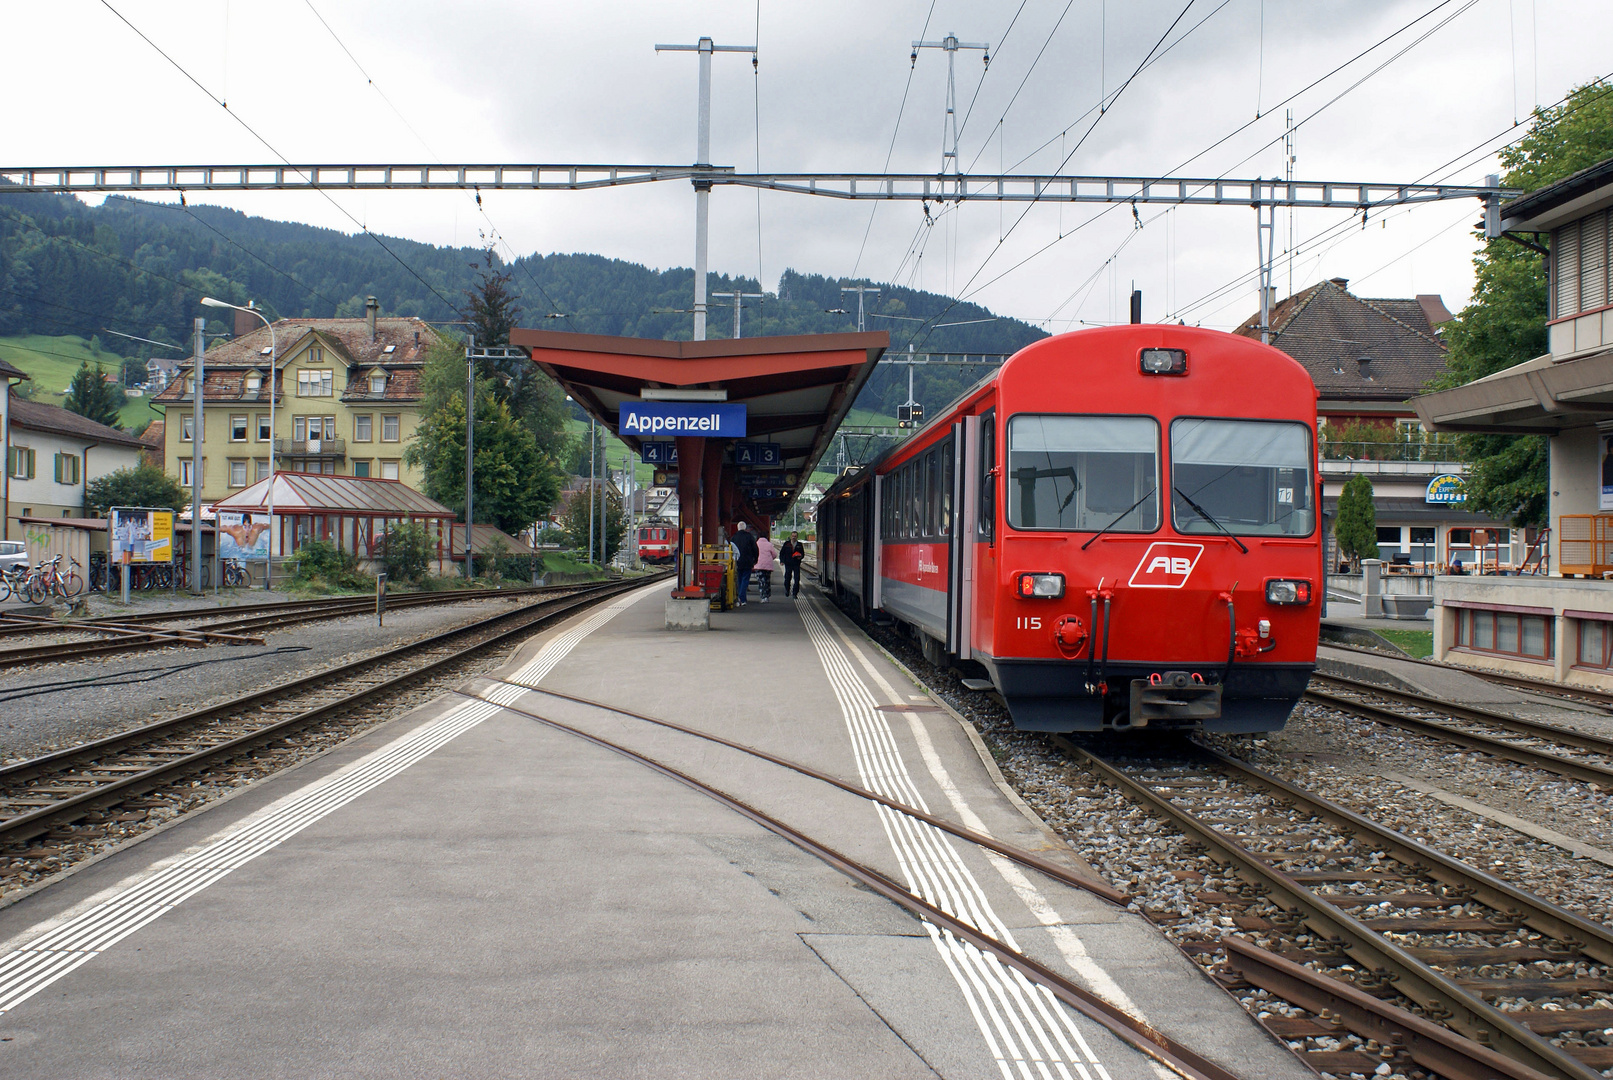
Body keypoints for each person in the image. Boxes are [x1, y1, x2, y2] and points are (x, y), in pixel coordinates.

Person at [730, 521, 758, 607]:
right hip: (747, 561)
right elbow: (755, 549)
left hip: (737, 562)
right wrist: (755, 559)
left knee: (739, 579)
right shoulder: (749, 536)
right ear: (745, 528)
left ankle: (740, 598)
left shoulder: (734, 537)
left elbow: (730, 549)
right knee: (745, 580)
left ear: (737, 528)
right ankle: (742, 598)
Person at [779, 531, 806, 598]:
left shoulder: (799, 545)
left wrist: (800, 557)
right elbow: (782, 553)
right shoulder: (786, 544)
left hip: (796, 563)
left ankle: (795, 593)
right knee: (787, 578)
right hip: (788, 563)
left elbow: (802, 553)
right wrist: (782, 561)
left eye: (795, 536)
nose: (794, 537)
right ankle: (787, 590)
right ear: (791, 536)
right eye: (793, 536)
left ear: (797, 537)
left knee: (797, 579)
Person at [754, 530, 777, 603]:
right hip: (768, 566)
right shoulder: (769, 544)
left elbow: (753, 553)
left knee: (761, 581)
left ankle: (763, 596)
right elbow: (774, 554)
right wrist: (770, 559)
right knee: (767, 581)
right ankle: (767, 595)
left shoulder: (756, 544)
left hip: (758, 565)